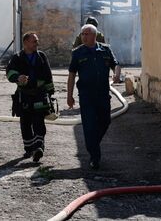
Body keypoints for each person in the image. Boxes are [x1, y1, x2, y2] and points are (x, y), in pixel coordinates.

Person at [67, 24, 121, 170]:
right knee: (89, 126)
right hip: (86, 95)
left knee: (105, 121)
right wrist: (69, 95)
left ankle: (93, 143)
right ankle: (94, 157)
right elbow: (72, 75)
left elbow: (115, 64)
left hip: (103, 94)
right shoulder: (77, 53)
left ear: (94, 35)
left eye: (86, 34)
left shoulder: (105, 49)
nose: (83, 37)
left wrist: (117, 74)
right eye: (82, 34)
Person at [6, 32, 55, 162]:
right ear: (26, 42)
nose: (37, 43)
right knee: (25, 123)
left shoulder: (41, 56)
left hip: (39, 95)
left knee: (39, 121)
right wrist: (18, 77)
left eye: (37, 41)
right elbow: (10, 72)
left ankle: (39, 148)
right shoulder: (17, 58)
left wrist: (51, 94)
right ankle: (29, 149)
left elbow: (48, 75)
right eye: (34, 41)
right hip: (24, 96)